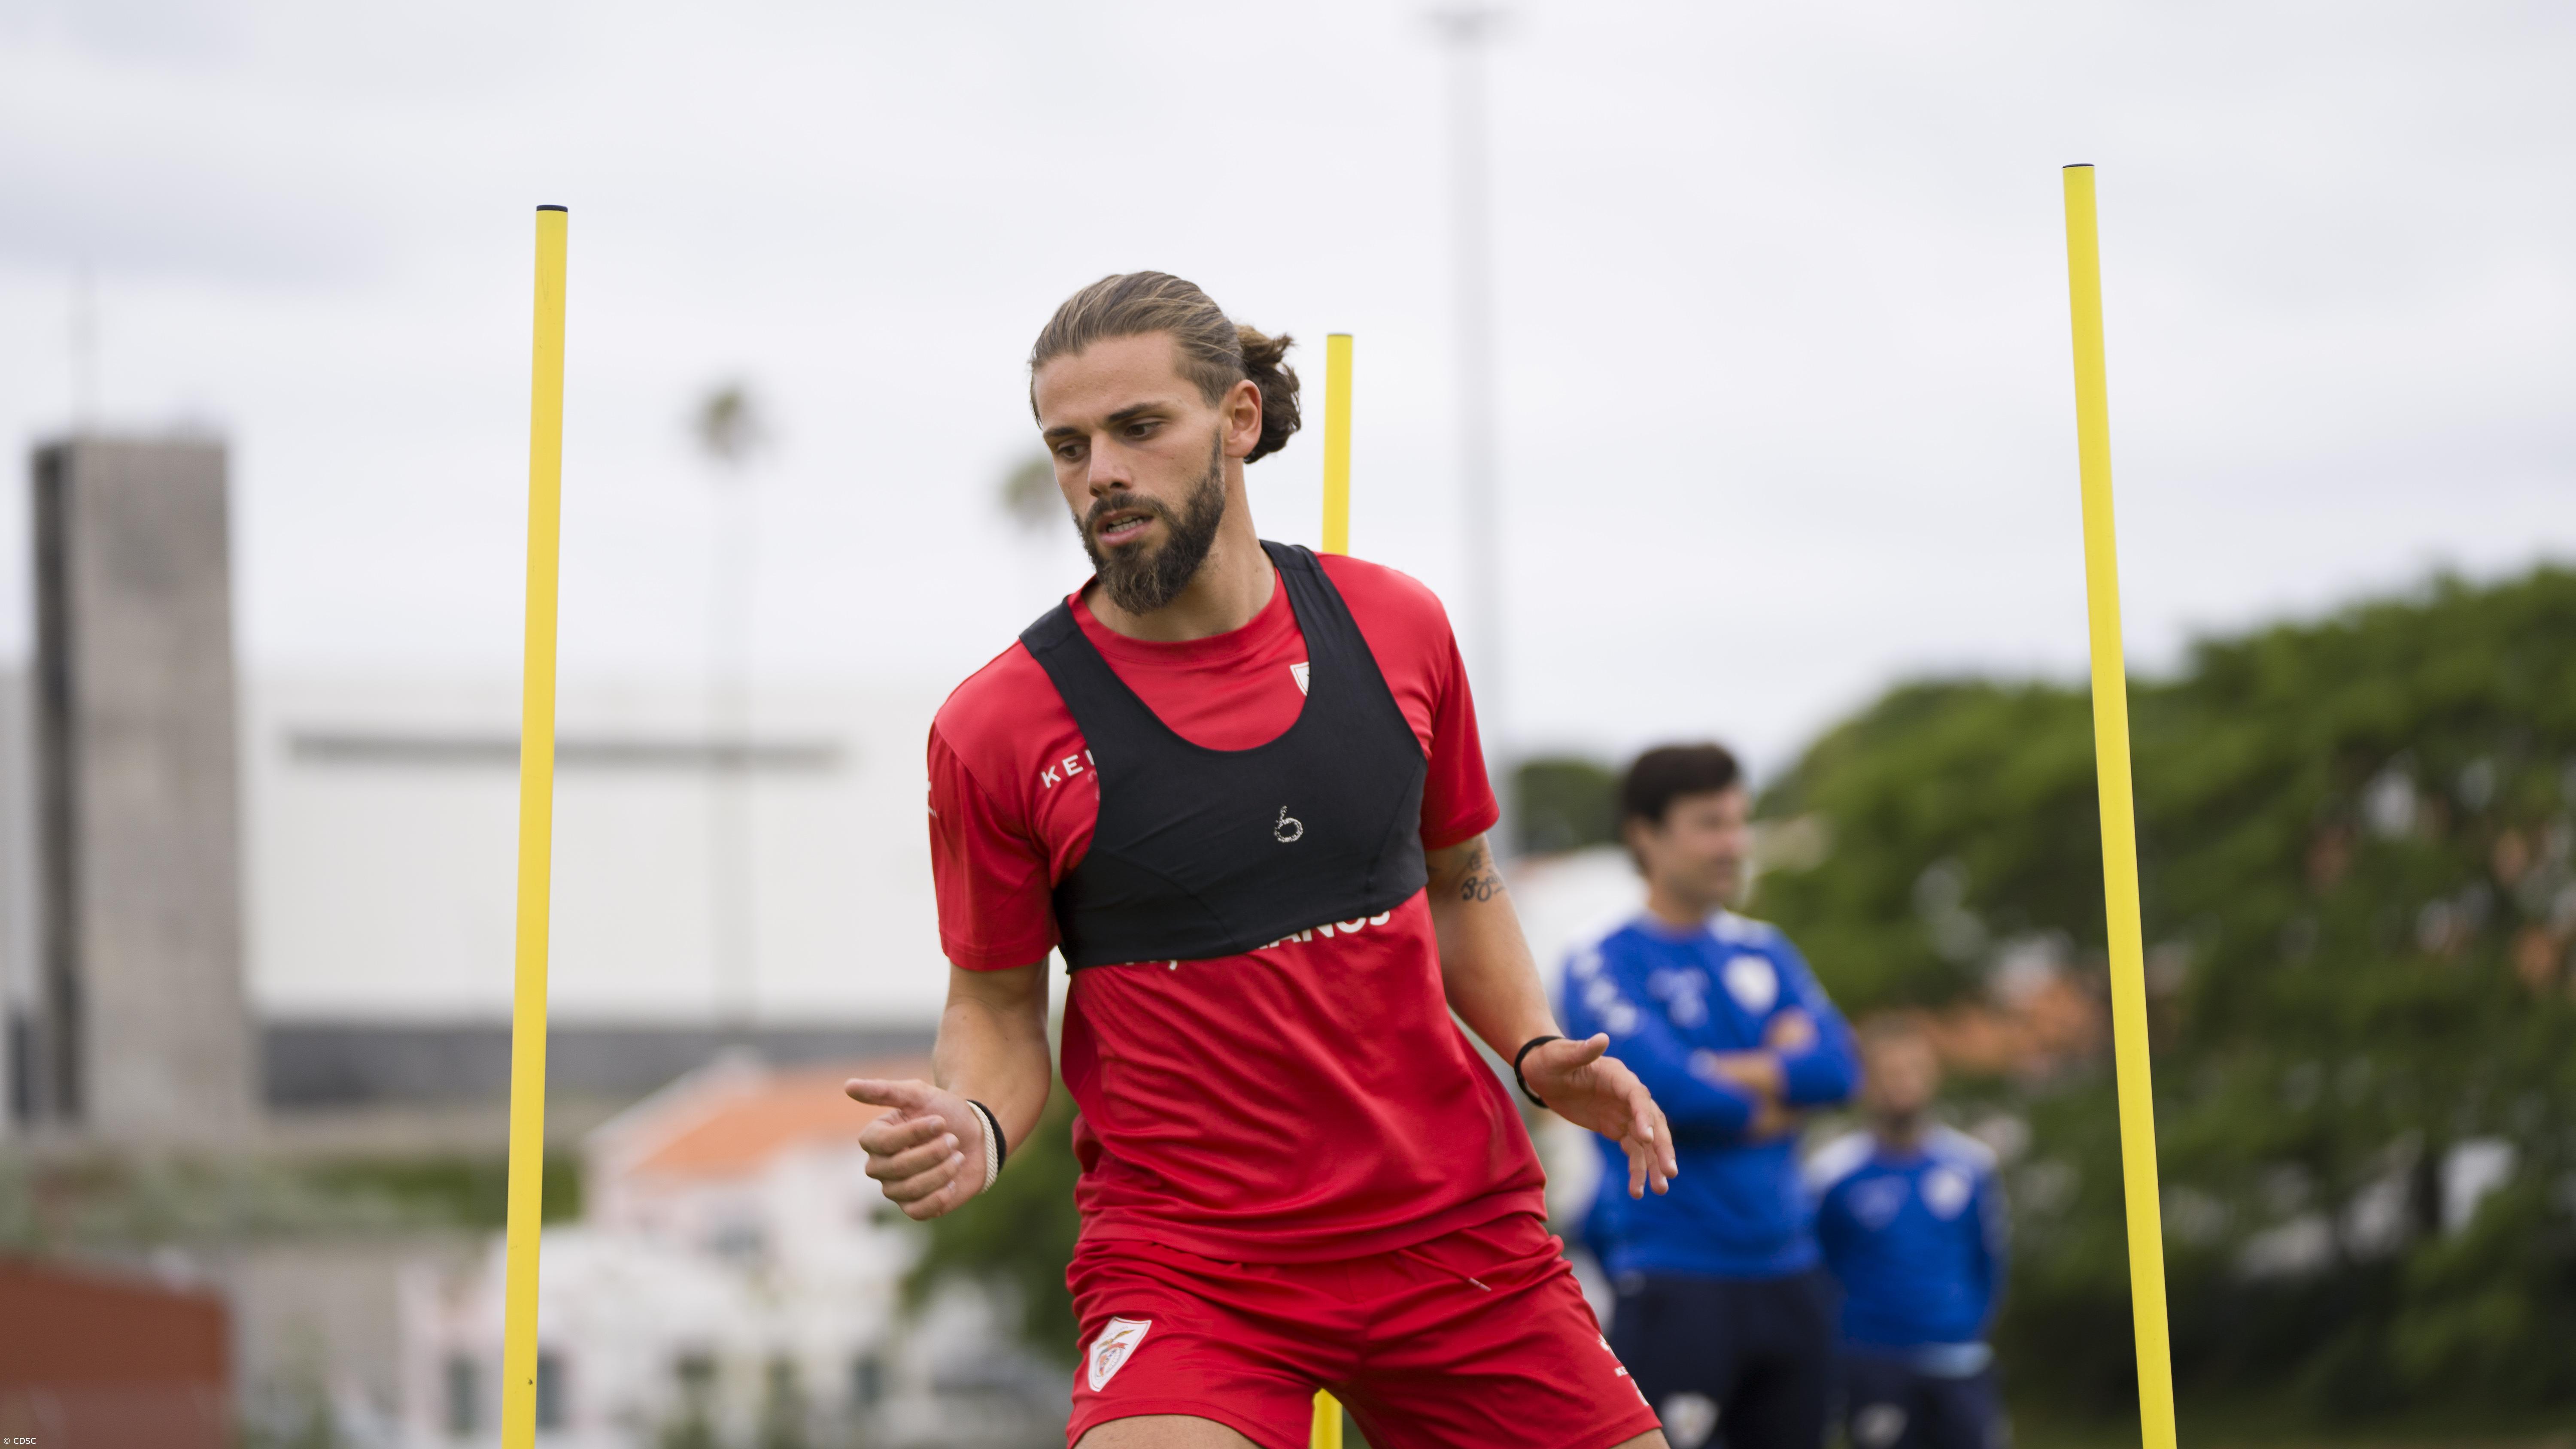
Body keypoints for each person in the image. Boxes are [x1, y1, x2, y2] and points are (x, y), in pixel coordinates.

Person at [846, 271, 1678, 1449]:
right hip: (1192, 1270)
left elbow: (1461, 882)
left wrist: (1536, 1048)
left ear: (1238, 421)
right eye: (1070, 445)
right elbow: (992, 1005)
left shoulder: (1399, 626)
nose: (1103, 473)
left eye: (1140, 430)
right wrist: (976, 1121)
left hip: (1457, 1240)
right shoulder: (997, 727)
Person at [1558, 743, 1860, 1449]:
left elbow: (1841, 1070)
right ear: (1646, 834)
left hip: (1792, 1272)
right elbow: (1676, 1096)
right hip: (1674, 1273)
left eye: (1738, 821)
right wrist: (1779, 1074)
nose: (1734, 844)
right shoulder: (1604, 956)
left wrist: (1724, 1072)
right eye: (1710, 823)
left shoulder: (1765, 950)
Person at [1807, 1021, 2007, 1449]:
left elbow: (1988, 1259)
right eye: (1890, 1072)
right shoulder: (1834, 1173)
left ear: (1933, 1076)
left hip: (1959, 1358)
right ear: (1868, 1083)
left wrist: (1967, 1323)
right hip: (1874, 1360)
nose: (1903, 1083)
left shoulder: (1972, 1166)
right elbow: (1820, 1265)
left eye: (1913, 1070)